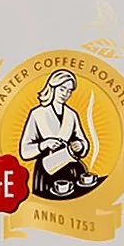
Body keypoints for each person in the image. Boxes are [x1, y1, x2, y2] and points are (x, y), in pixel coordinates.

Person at [19, 70, 90, 198]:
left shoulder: (72, 115)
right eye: (62, 89)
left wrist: (81, 145)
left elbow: (83, 141)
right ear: (52, 87)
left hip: (70, 168)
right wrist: (44, 144)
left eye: (69, 91)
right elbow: (24, 151)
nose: (65, 94)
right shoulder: (37, 114)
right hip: (47, 169)